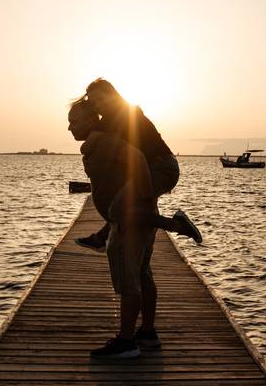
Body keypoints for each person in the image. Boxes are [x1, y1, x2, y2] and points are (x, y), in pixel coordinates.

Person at [67, 98, 166, 359]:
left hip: (128, 222)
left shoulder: (105, 141)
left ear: (91, 119)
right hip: (135, 218)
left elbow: (138, 159)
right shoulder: (99, 143)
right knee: (142, 273)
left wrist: (141, 197)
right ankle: (146, 333)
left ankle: (126, 342)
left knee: (128, 279)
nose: (69, 128)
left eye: (74, 121)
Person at [75, 78, 201, 251]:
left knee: (120, 208)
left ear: (112, 95)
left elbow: (89, 143)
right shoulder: (109, 119)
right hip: (151, 169)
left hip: (163, 168)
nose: (98, 106)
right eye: (94, 103)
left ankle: (177, 225)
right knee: (123, 209)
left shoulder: (128, 112)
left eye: (101, 100)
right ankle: (101, 238)